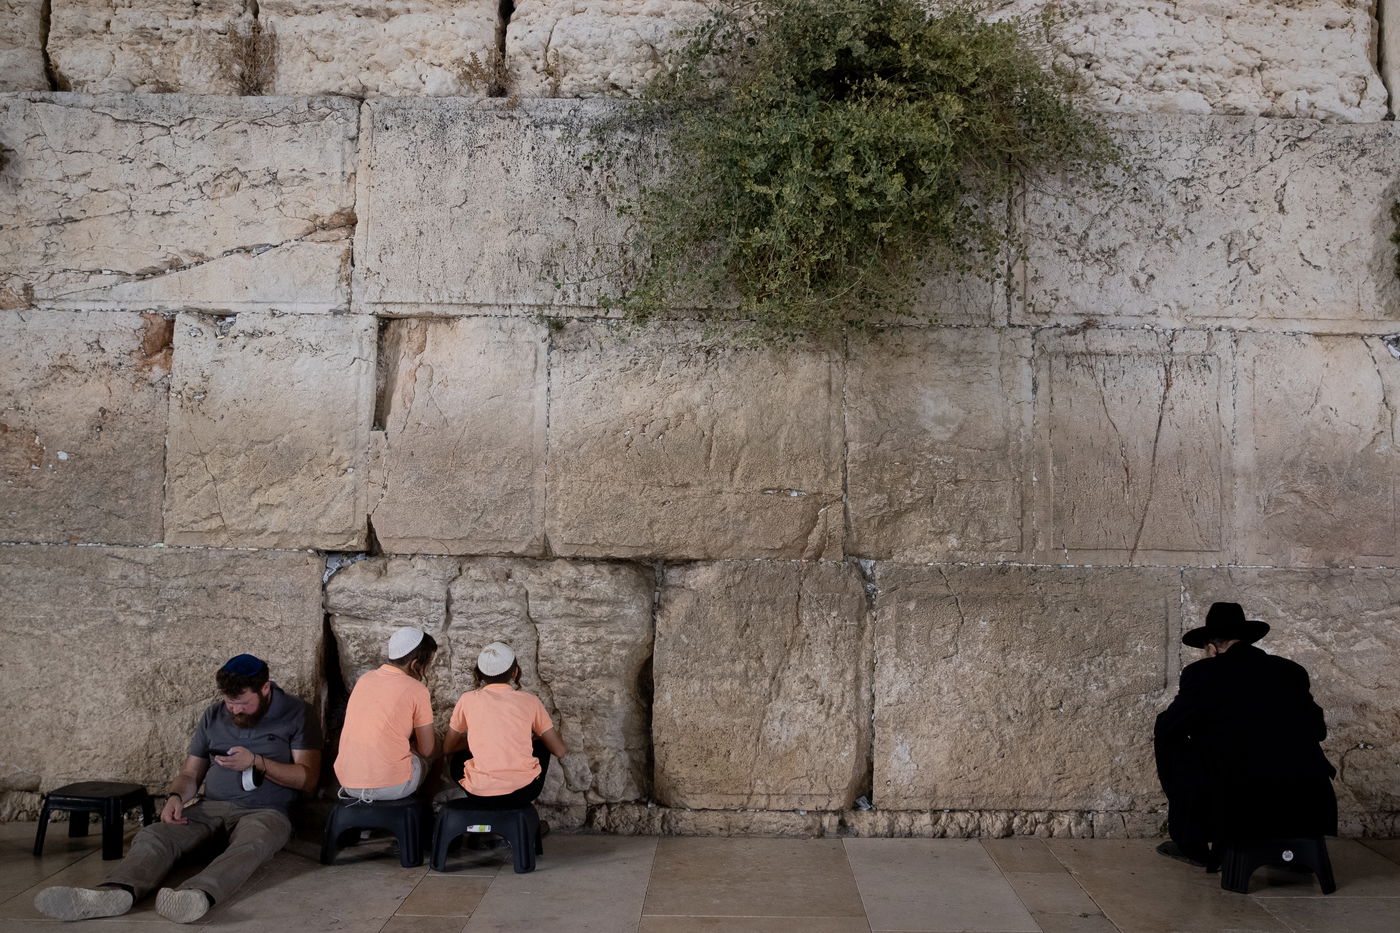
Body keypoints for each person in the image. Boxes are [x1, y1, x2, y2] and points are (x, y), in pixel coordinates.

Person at [35, 655, 321, 924]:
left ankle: (196, 895)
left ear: (265, 688)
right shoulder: (213, 716)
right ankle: (115, 892)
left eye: (242, 702)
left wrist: (257, 762)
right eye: (229, 701)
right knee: (155, 834)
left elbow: (306, 779)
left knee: (253, 843)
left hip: (267, 811)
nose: (234, 709)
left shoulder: (297, 713)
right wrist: (176, 797)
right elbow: (189, 773)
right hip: (210, 808)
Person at [1154, 602, 1337, 867]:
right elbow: (1318, 730)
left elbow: (1171, 728)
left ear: (1212, 648)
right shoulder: (1291, 671)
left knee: (1167, 733)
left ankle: (1192, 841)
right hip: (1306, 799)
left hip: (1237, 801)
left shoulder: (1203, 672)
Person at [442, 642, 567, 809]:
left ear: (479, 674)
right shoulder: (531, 701)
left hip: (479, 793)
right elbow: (559, 750)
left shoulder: (467, 699)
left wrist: (475, 742)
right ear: (515, 672)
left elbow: (447, 748)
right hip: (524, 792)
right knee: (542, 745)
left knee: (458, 759)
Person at [334, 627, 438, 801]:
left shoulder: (364, 680)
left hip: (348, 784)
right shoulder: (417, 689)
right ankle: (427, 812)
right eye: (428, 664)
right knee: (435, 749)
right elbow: (427, 750)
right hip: (392, 787)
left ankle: (368, 823)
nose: (427, 670)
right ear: (414, 664)